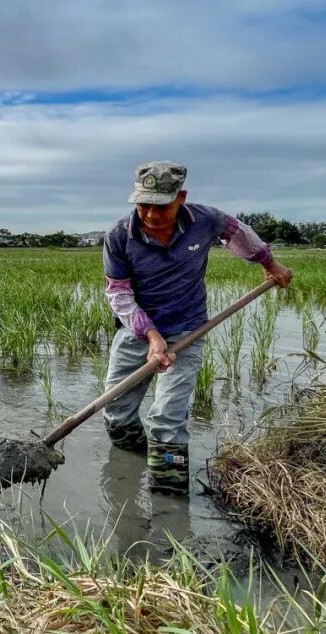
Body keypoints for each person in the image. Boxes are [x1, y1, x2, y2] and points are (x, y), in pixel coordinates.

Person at [101, 161, 293, 495]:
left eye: (160, 206)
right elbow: (119, 293)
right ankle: (129, 470)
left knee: (166, 420)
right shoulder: (119, 236)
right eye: (142, 204)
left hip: (188, 331)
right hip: (136, 331)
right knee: (116, 412)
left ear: (181, 197)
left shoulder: (205, 220)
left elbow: (239, 234)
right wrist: (151, 335)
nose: (150, 214)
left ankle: (169, 498)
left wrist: (269, 262)